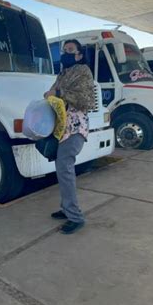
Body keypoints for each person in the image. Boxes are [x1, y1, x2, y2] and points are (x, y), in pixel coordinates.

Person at [44, 39, 95, 234]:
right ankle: (67, 208)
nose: (65, 53)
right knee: (61, 168)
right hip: (62, 128)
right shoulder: (63, 73)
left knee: (65, 168)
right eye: (64, 50)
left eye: (70, 50)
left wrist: (58, 92)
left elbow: (86, 100)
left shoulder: (83, 72)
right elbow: (53, 93)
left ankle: (75, 216)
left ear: (80, 54)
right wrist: (49, 94)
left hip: (75, 128)